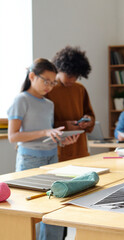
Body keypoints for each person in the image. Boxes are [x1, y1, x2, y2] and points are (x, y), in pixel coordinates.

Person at [7, 58, 79, 240]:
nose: (49, 86)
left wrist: (62, 141)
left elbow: (46, 137)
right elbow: (13, 136)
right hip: (29, 159)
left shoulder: (49, 104)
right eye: (46, 81)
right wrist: (46, 131)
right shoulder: (21, 99)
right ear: (32, 76)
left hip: (51, 157)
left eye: (53, 82)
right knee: (31, 209)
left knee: (52, 207)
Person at [46, 46, 95, 161]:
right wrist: (65, 125)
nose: (72, 80)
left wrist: (88, 121)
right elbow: (43, 126)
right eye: (69, 76)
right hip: (58, 152)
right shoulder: (48, 90)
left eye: (76, 76)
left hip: (81, 151)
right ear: (59, 69)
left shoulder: (80, 89)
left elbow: (91, 115)